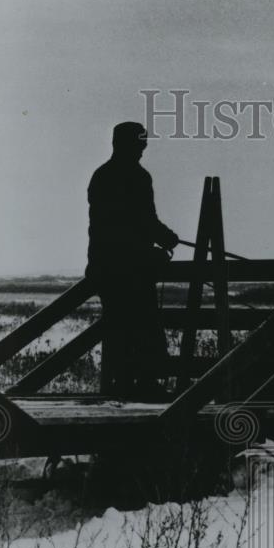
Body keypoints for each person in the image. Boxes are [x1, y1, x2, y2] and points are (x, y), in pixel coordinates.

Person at [86, 121, 179, 399]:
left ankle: (122, 383)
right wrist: (167, 238)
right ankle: (146, 383)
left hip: (106, 266)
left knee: (118, 326)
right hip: (133, 268)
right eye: (141, 143)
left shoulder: (101, 176)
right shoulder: (138, 177)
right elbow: (144, 221)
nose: (143, 148)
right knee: (145, 323)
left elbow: (105, 225)